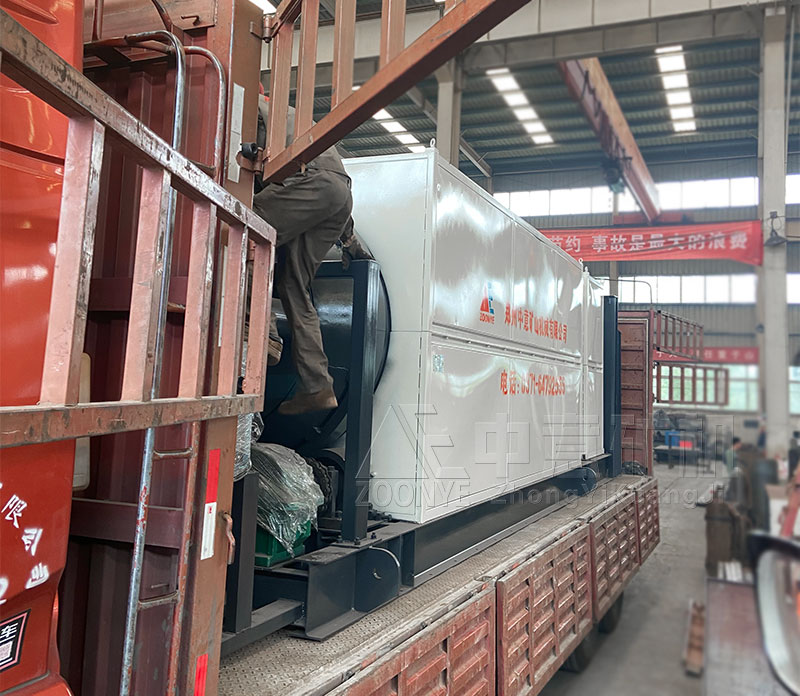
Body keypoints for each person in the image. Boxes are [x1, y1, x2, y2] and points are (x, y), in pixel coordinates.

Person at [252, 94, 371, 415]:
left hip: (309, 179)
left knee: (243, 231)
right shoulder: (293, 115)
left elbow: (245, 167)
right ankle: (317, 385)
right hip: (340, 193)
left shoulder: (250, 105)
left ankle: (262, 334)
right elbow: (331, 185)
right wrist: (350, 242)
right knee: (294, 285)